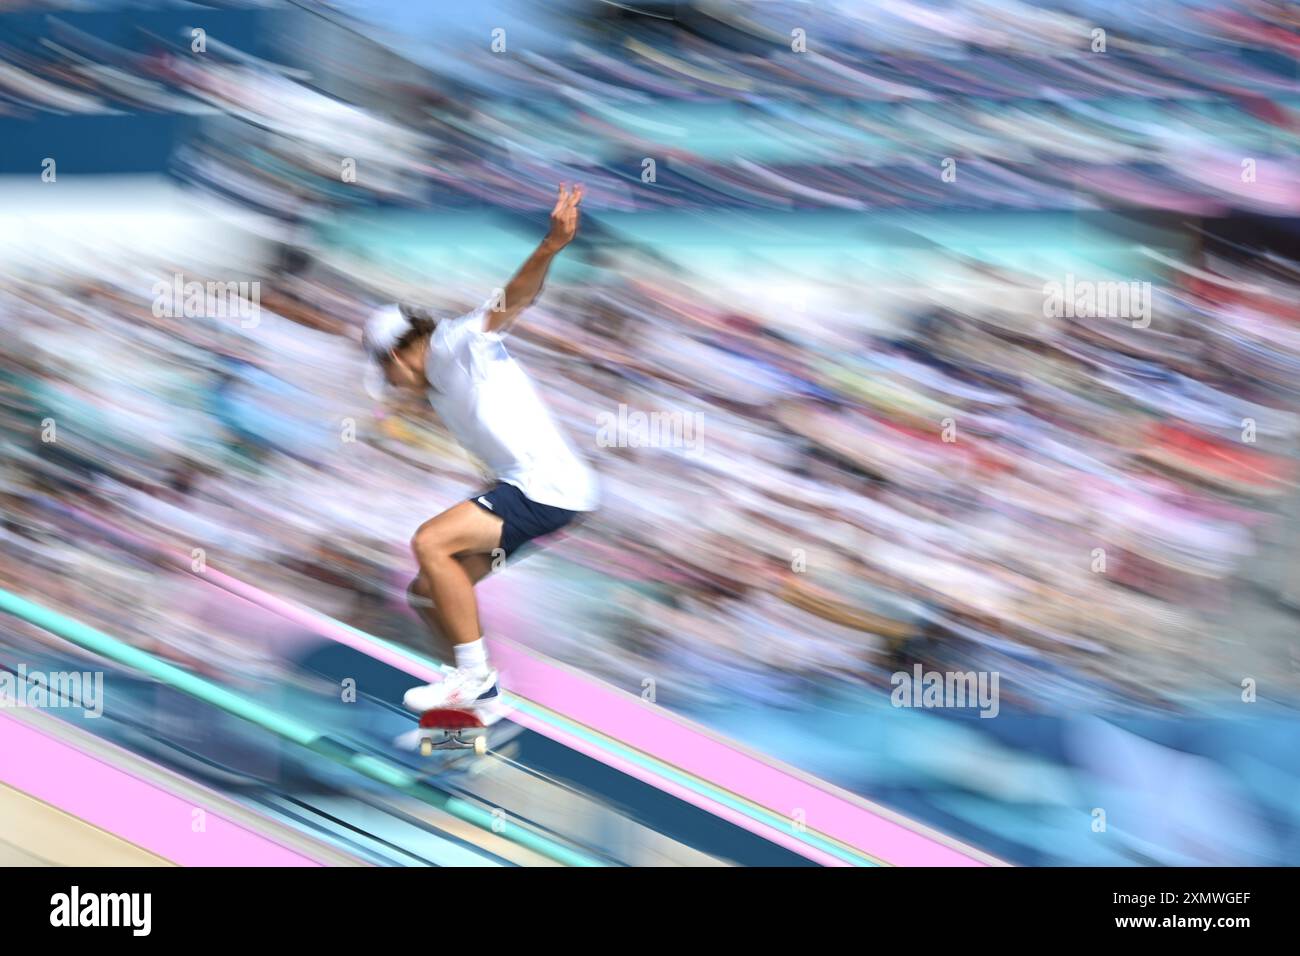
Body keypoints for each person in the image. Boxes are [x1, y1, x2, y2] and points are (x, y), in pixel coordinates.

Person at [361, 184, 598, 714]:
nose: (393, 387)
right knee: (428, 594)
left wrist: (550, 246)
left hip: (546, 488)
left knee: (429, 541)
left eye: (387, 374)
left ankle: (478, 682)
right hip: (545, 491)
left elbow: (510, 303)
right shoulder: (441, 391)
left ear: (400, 355)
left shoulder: (451, 343)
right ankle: (474, 708)